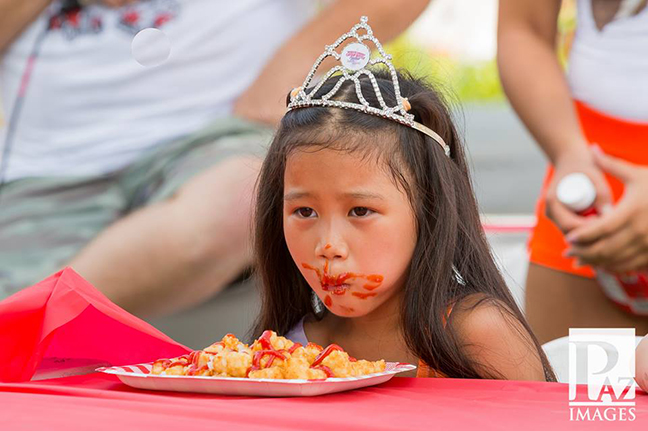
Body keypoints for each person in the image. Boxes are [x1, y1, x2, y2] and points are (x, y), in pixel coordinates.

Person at [0, 0, 428, 317]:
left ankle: (26, 324)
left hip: (225, 130)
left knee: (248, 195)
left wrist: (299, 61)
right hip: (45, 166)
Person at [251, 17, 556, 381]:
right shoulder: (284, 354)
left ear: (428, 208)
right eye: (304, 211)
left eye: (360, 210)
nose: (328, 246)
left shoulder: (478, 336)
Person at [497, 0, 648, 344]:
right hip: (591, 174)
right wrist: (568, 152)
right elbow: (524, 28)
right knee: (571, 394)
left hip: (592, 170)